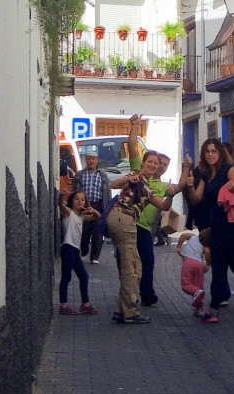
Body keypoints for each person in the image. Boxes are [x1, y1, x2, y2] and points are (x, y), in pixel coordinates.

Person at [186, 138, 234, 324]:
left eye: (214, 151)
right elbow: (196, 199)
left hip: (230, 226)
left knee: (227, 268)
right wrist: (190, 186)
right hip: (216, 226)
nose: (210, 154)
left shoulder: (228, 169)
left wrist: (229, 186)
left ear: (220, 152)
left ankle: (215, 310)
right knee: (228, 268)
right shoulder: (205, 175)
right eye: (207, 151)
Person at [126, 115, 190, 306]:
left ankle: (146, 294)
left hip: (145, 229)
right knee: (128, 263)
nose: (160, 167)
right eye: (158, 163)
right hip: (129, 224)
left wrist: (187, 167)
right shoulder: (138, 169)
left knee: (148, 261)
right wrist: (134, 126)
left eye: (164, 165)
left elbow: (179, 187)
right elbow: (132, 147)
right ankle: (128, 296)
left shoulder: (162, 186)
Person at [107, 152, 173, 324]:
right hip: (123, 218)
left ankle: (121, 310)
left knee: (135, 267)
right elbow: (113, 184)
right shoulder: (135, 176)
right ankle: (130, 312)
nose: (153, 165)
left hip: (126, 221)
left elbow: (164, 206)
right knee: (131, 268)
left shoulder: (149, 188)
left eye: (156, 163)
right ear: (143, 163)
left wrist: (171, 195)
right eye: (150, 161)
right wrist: (130, 179)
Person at [57, 189, 100, 315]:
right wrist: (61, 196)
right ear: (72, 201)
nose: (80, 201)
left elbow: (97, 216)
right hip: (67, 247)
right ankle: (63, 305)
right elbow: (60, 205)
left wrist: (92, 210)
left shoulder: (82, 217)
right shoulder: (68, 213)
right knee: (66, 276)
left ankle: (85, 304)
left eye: (82, 200)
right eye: (77, 199)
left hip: (75, 250)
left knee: (84, 276)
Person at [72, 146, 112, 264]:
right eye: (89, 159)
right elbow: (74, 190)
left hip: (98, 205)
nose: (91, 161)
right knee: (84, 231)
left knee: (97, 233)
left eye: (93, 159)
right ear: (86, 160)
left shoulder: (103, 175)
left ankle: (95, 257)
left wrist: (107, 209)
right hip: (84, 205)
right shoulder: (80, 175)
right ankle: (84, 251)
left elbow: (107, 193)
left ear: (97, 160)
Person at [176, 230, 210, 312]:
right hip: (199, 264)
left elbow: (183, 235)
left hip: (188, 263)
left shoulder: (194, 236)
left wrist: (179, 246)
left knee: (186, 284)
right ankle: (199, 308)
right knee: (199, 286)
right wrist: (208, 264)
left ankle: (196, 291)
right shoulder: (206, 244)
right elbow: (207, 251)